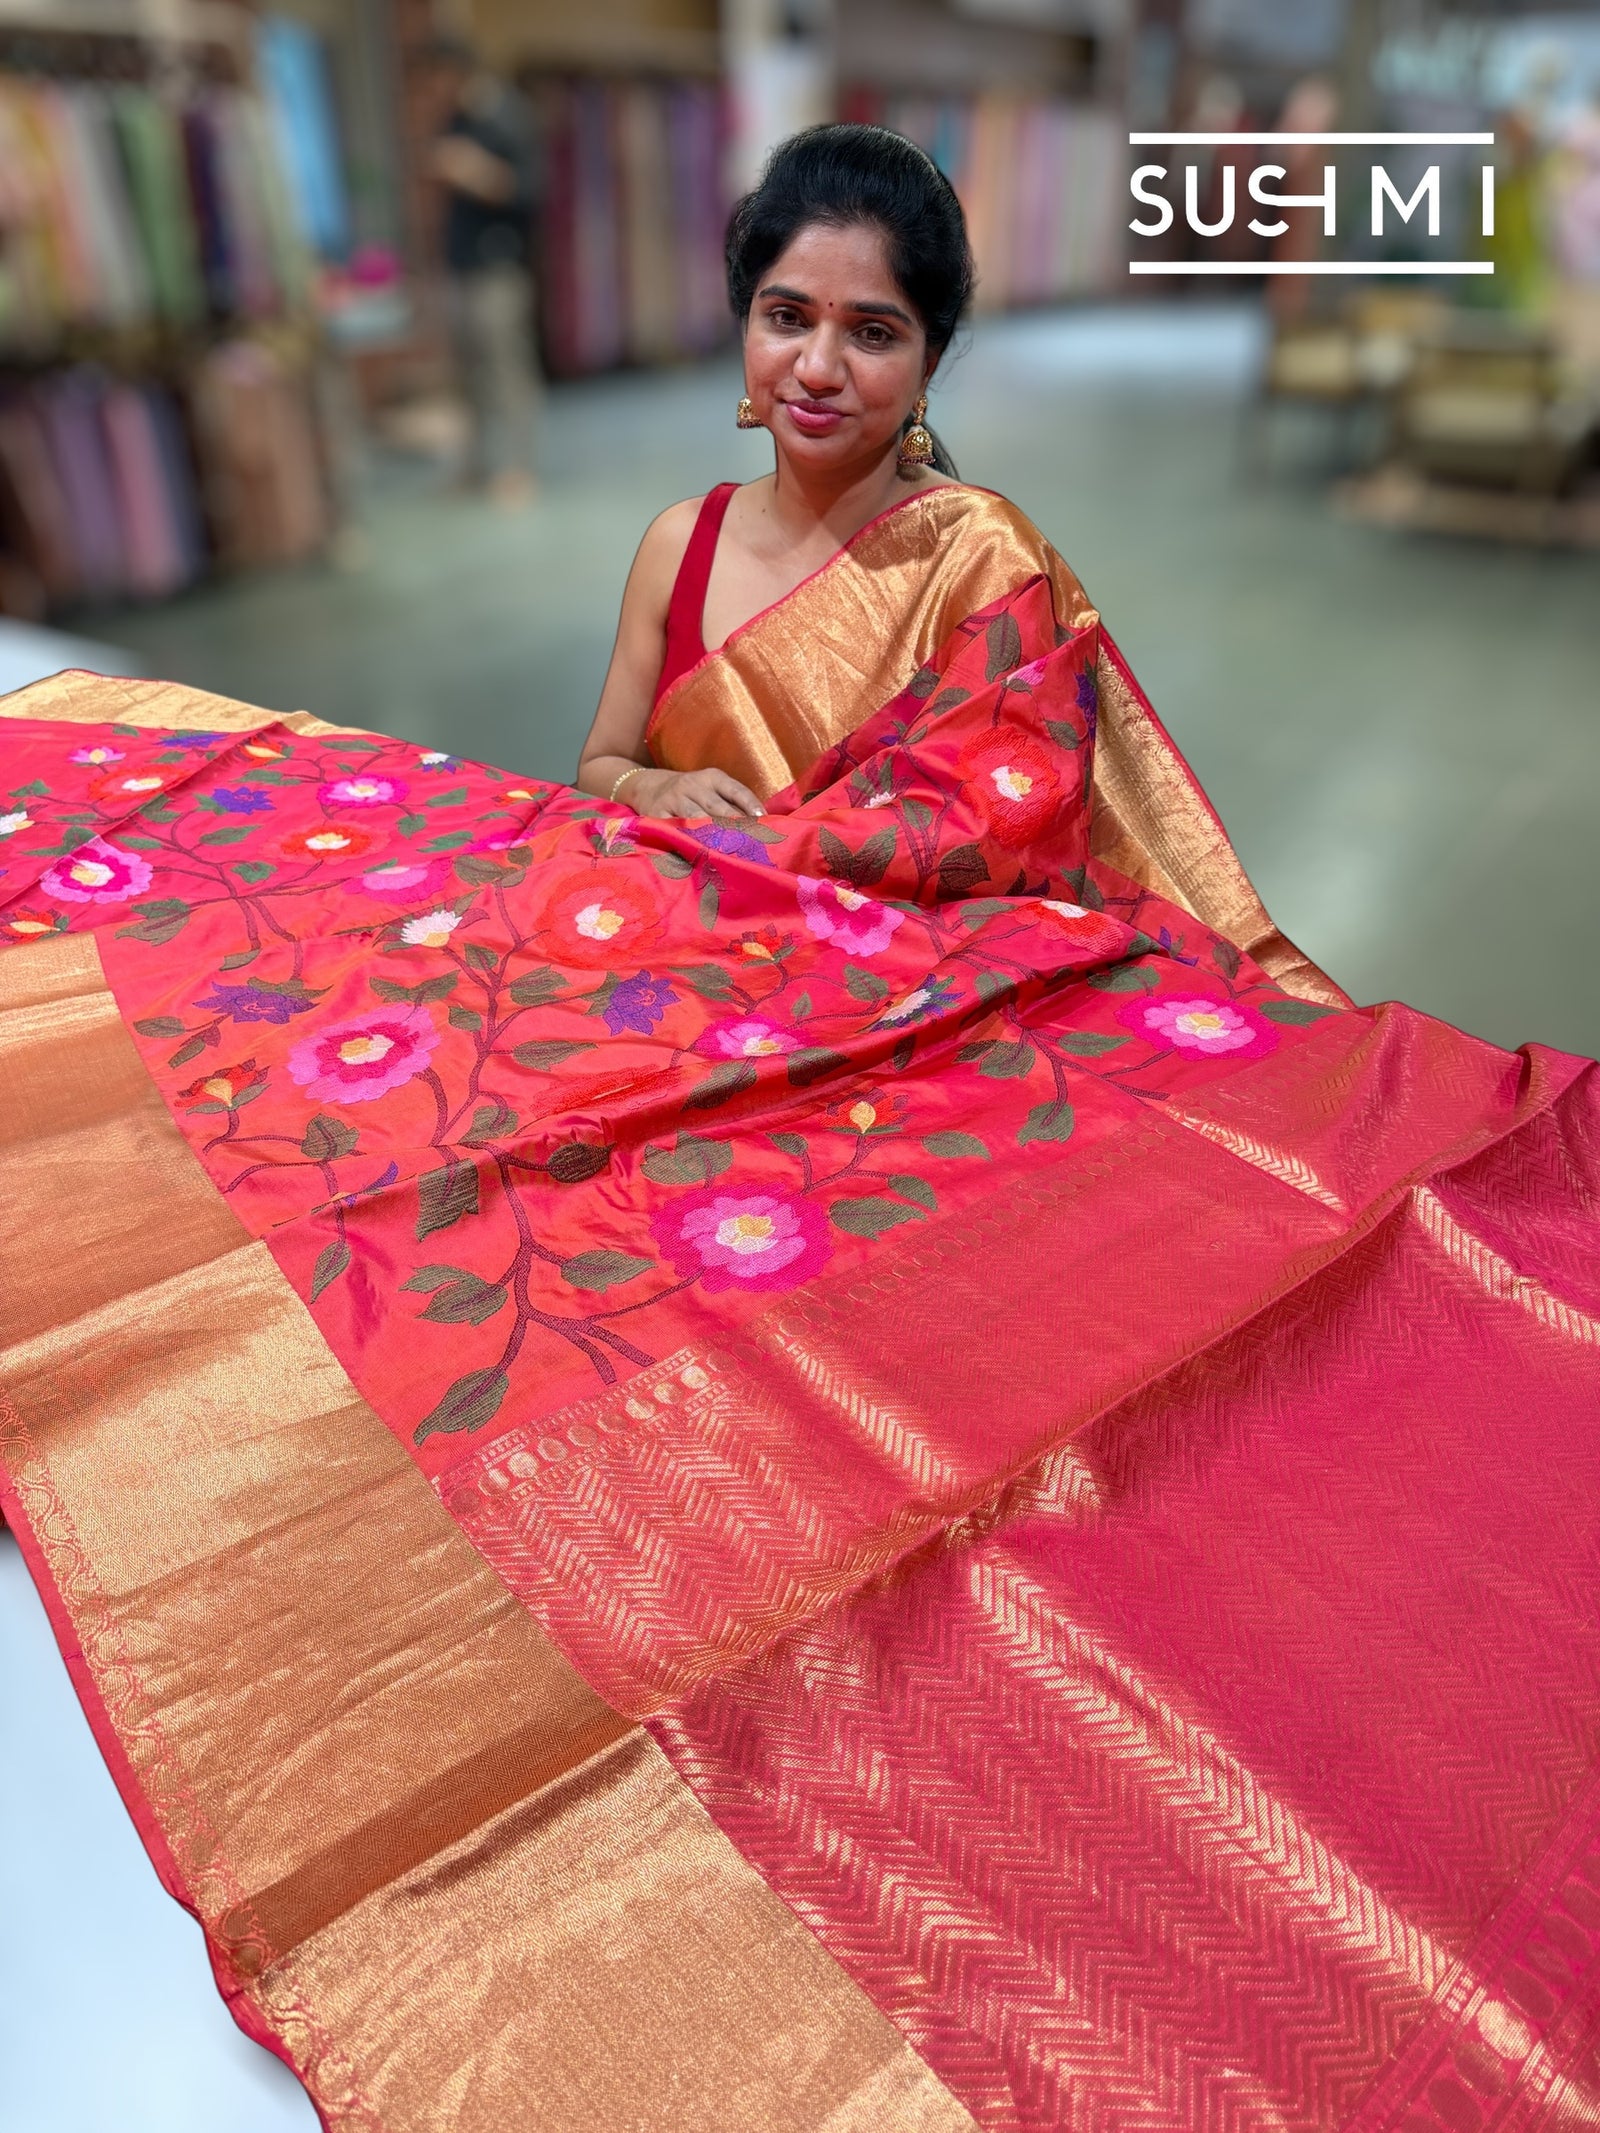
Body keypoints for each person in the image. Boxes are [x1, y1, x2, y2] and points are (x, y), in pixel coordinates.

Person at [1, 123, 1597, 2133]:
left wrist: (817, 852)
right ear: (740, 323)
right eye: (786, 316)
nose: (820, 364)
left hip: (884, 962)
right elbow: (597, 761)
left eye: (873, 327)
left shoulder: (974, 561)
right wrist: (662, 817)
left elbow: (1010, 823)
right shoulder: (678, 541)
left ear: (932, 355)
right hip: (681, 948)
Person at [422, 36, 541, 505]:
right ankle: (474, 463)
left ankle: (518, 466)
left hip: (499, 264)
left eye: (435, 81)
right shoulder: (457, 119)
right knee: (467, 372)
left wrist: (474, 172)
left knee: (505, 368)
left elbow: (529, 191)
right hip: (462, 263)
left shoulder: (507, 116)